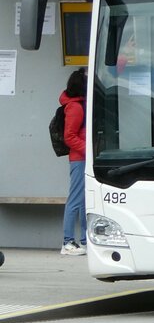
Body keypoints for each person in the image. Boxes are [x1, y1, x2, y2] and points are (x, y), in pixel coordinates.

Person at [60, 68, 87, 256]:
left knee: (85, 201)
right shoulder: (76, 107)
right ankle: (68, 242)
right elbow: (69, 136)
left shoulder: (78, 104)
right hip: (80, 159)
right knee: (76, 201)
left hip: (82, 158)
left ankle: (85, 240)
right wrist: (88, 150)